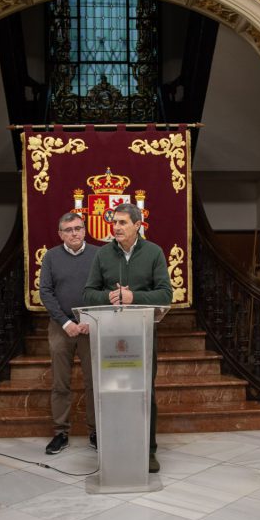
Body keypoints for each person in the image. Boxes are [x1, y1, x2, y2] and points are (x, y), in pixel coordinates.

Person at [83, 202, 172, 472]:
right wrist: (108, 297)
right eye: (115, 222)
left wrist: (134, 297)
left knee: (144, 391)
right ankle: (115, 448)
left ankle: (148, 451)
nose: (116, 227)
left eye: (123, 222)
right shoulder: (103, 254)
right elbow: (88, 293)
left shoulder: (154, 252)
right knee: (113, 391)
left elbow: (165, 294)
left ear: (137, 225)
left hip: (142, 333)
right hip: (110, 335)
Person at [39, 212, 99, 454]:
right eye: (69, 229)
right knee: (60, 382)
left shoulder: (99, 254)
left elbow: (105, 289)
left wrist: (91, 320)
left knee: (94, 382)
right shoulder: (51, 257)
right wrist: (66, 323)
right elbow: (45, 292)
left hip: (91, 326)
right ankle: (60, 433)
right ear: (60, 234)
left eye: (78, 228)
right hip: (61, 327)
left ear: (84, 230)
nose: (74, 233)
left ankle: (96, 431)